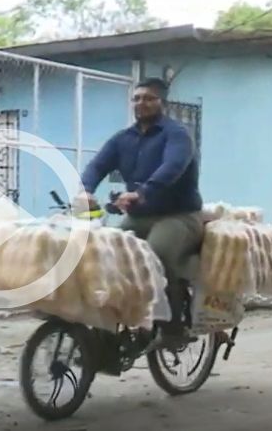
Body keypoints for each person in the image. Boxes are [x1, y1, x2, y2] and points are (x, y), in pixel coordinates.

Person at [76, 77, 204, 344]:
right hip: (139, 216)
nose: (141, 103)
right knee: (111, 255)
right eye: (136, 98)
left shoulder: (177, 134)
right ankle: (117, 323)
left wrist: (142, 191)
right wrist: (86, 190)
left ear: (162, 103)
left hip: (179, 216)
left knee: (155, 255)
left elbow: (172, 167)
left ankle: (175, 326)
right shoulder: (123, 139)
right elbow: (97, 166)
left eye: (148, 98)